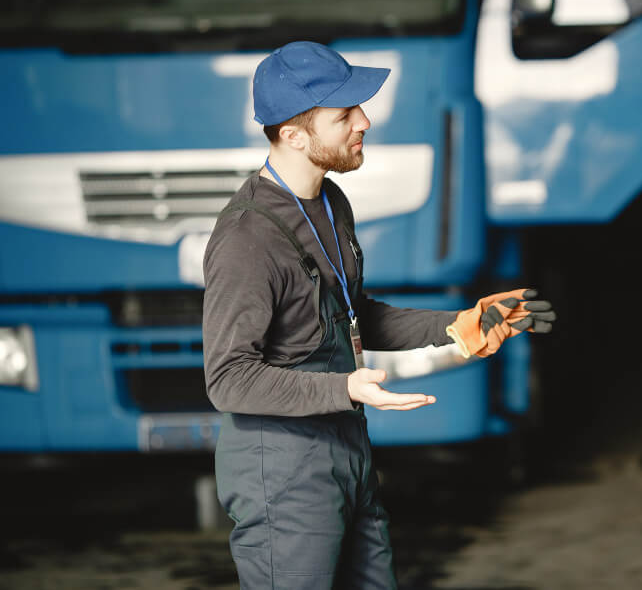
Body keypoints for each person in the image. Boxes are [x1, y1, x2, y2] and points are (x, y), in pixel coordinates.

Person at [202, 40, 555, 589]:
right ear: (294, 135)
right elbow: (227, 380)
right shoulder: (247, 237)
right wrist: (346, 389)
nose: (364, 120)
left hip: (348, 452)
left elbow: (349, 314)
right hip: (284, 467)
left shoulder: (330, 201)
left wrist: (457, 326)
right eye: (344, 115)